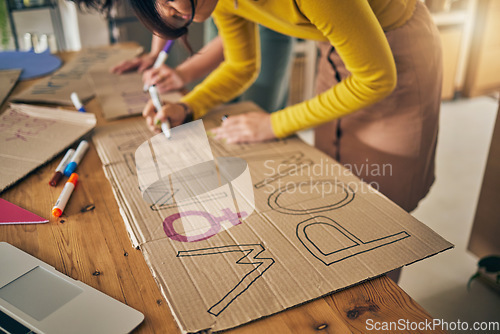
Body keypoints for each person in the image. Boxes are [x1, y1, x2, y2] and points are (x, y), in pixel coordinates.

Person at [75, 0, 442, 283]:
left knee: (381, 205)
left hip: (396, 56)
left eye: (169, 1)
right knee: (340, 186)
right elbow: (241, 65)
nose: (166, 12)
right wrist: (187, 107)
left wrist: (272, 124)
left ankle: (380, 309)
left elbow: (376, 78)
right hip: (336, 56)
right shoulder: (217, 2)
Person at [110, 23, 294, 113]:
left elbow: (238, 39)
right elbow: (165, 11)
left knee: (257, 110)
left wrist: (183, 74)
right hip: (221, 11)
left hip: (264, 20)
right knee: (222, 101)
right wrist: (155, 53)